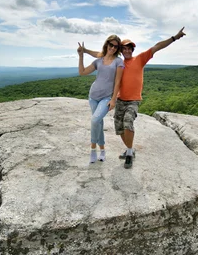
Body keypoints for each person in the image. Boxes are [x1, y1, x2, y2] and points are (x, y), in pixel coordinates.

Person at [81, 27, 186, 168]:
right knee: (119, 128)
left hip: (133, 100)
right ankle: (129, 149)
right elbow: (100, 54)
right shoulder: (118, 62)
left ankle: (129, 153)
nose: (127, 51)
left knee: (128, 122)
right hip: (120, 99)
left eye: (130, 48)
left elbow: (157, 47)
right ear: (121, 51)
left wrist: (174, 37)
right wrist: (85, 51)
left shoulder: (140, 59)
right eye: (124, 48)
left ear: (132, 50)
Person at [77, 35, 125, 164]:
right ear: (107, 44)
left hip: (106, 97)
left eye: (116, 46)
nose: (113, 48)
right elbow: (82, 72)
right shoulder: (99, 60)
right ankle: (102, 150)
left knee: (95, 120)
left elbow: (118, 82)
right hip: (93, 96)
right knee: (98, 123)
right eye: (111, 45)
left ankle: (93, 149)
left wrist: (114, 99)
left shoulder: (118, 61)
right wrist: (82, 55)